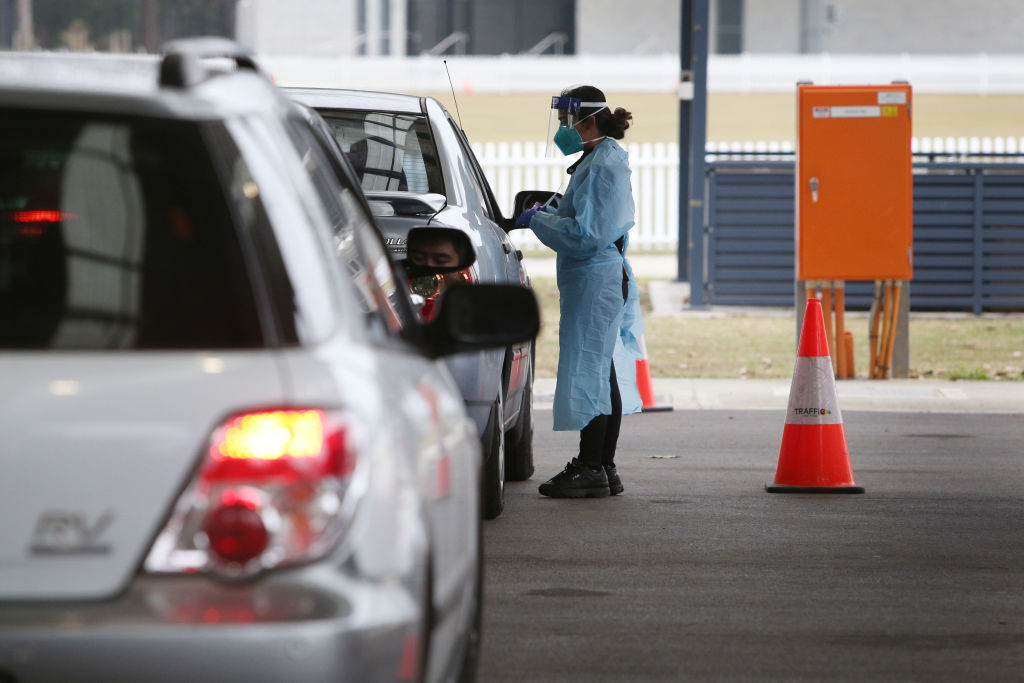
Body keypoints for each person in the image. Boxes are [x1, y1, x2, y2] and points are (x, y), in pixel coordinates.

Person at [516, 85, 645, 499]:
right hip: (597, 277)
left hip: (596, 277)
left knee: (590, 369)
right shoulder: (597, 159)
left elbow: (586, 234)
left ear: (587, 122)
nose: (561, 131)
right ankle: (603, 467)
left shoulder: (603, 165)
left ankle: (591, 466)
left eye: (564, 123)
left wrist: (538, 221)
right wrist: (553, 210)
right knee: (599, 369)